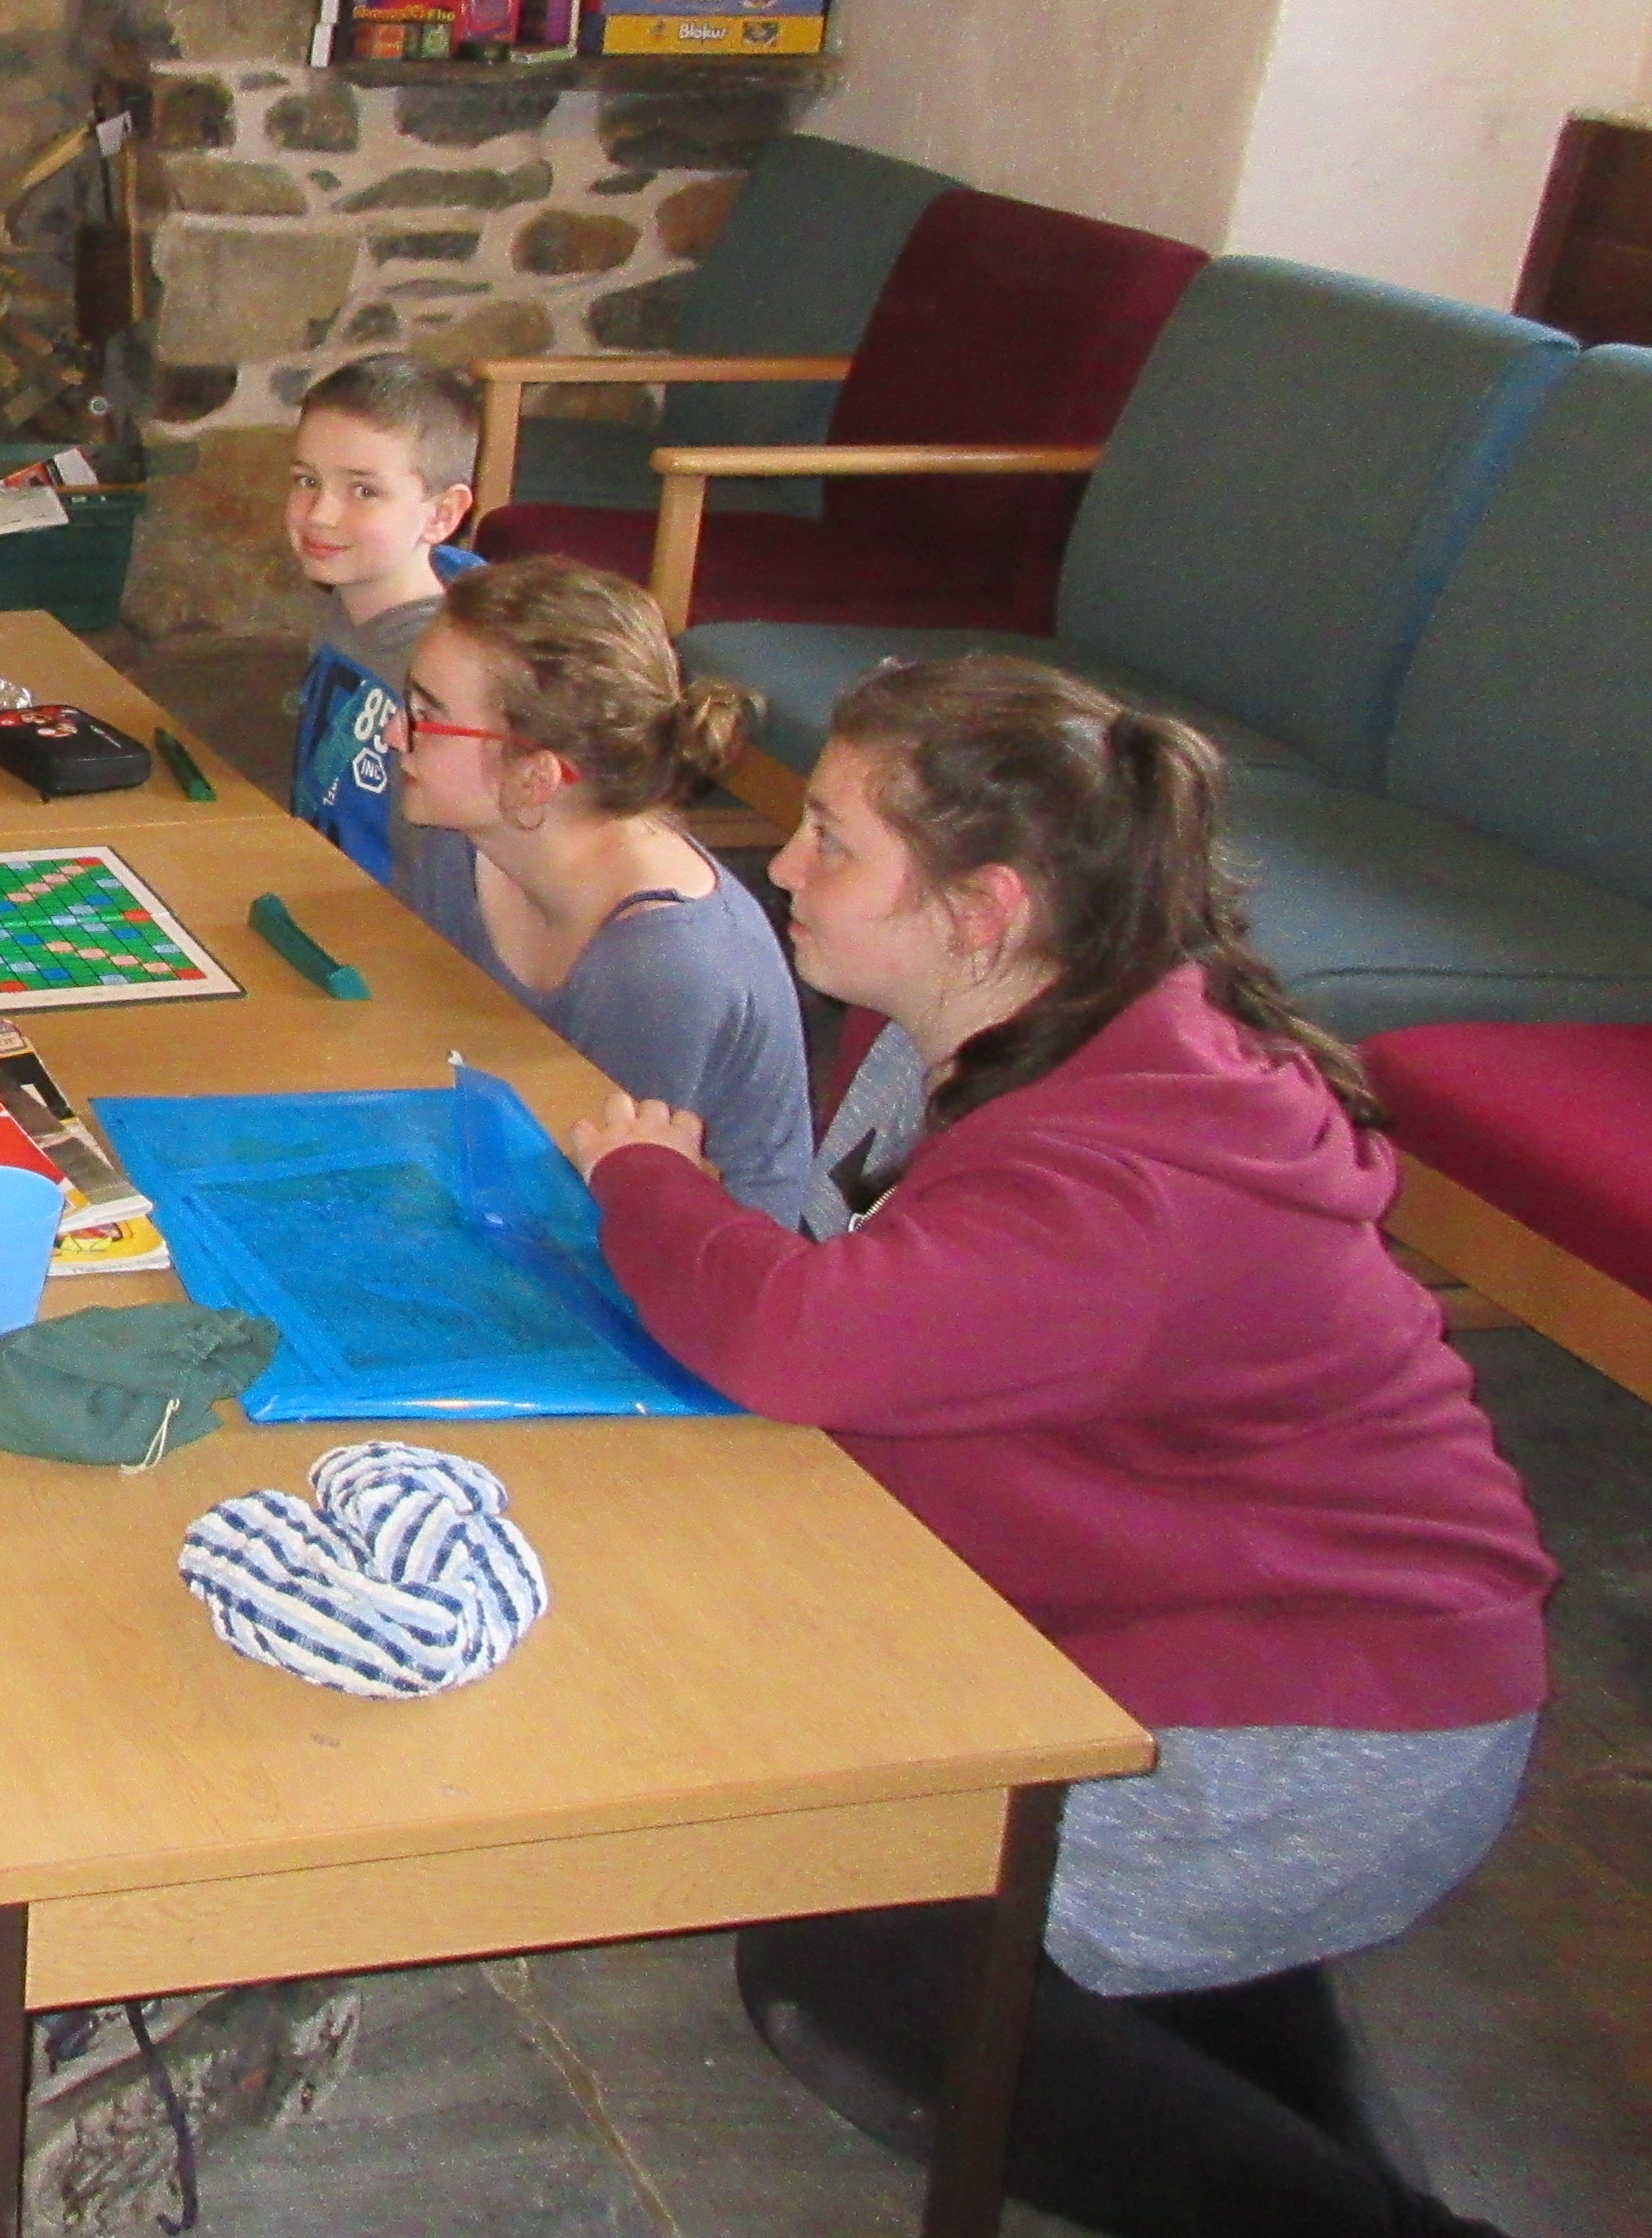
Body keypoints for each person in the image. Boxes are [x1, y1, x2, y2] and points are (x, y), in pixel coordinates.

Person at [570, 654, 1552, 2238]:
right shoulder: (989, 1025)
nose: (784, 865)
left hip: (1329, 1720)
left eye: (833, 842)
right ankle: (1249, 2035)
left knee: (853, 1951)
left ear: (985, 908)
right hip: (1204, 1635)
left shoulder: (1125, 1173)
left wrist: (645, 1182)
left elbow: (792, 1335)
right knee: (945, 1864)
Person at [391, 555, 823, 1232]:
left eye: (426, 716)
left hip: (655, 1261)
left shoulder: (658, 964)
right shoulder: (463, 843)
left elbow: (613, 1216)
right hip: (512, 1178)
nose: (395, 733)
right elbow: (421, 1048)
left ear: (534, 778)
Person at [282, 353, 482, 880]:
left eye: (364, 491)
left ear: (442, 515)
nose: (320, 514)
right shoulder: (345, 603)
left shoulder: (446, 666)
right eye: (306, 480)